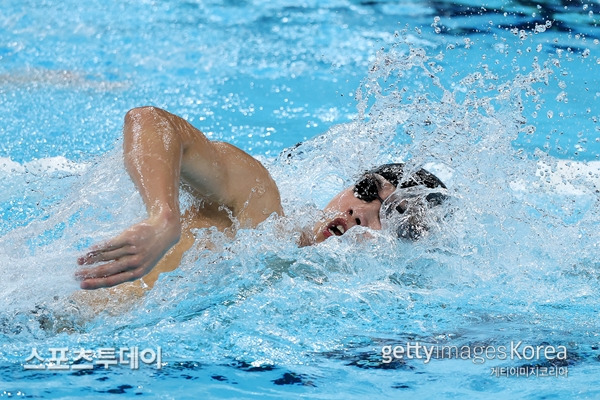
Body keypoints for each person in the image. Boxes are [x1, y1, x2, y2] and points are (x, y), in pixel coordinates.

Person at [75, 106, 447, 291]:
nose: (360, 211)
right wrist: (162, 216)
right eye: (367, 189)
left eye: (392, 220)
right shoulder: (257, 201)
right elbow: (149, 120)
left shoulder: (327, 294)